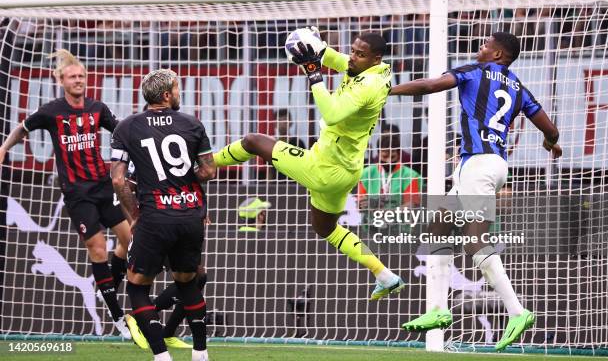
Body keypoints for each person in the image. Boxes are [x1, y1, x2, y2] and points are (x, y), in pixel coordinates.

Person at [390, 32, 562, 351]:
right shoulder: (518, 87)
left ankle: (517, 311)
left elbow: (429, 86)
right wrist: (551, 143)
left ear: (497, 54)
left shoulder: (473, 71)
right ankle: (439, 309)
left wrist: (386, 87)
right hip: (489, 164)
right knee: (438, 229)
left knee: (473, 241)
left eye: (485, 45)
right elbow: (550, 129)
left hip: (479, 165)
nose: (479, 48)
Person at [213, 30, 404, 300]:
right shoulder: (377, 70)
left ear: (376, 58)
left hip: (324, 167)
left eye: (360, 55)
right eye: (353, 50)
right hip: (346, 170)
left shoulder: (369, 85)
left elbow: (332, 113)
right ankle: (384, 275)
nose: (353, 57)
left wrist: (314, 75)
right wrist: (316, 50)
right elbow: (341, 61)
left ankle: (205, 167)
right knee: (326, 228)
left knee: (253, 141)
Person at [0, 49, 132, 338]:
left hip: (102, 186)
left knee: (129, 240)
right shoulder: (51, 111)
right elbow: (22, 129)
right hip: (77, 194)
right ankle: (117, 315)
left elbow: (122, 131)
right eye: (73, 76)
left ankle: (107, 289)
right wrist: (3, 148)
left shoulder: (97, 109)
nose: (78, 80)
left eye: (82, 76)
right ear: (61, 80)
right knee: (97, 250)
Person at [110, 69, 216, 361]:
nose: (179, 93)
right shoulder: (193, 124)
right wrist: (184, 184)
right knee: (188, 282)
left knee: (137, 286)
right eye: (177, 88)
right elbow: (208, 170)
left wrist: (134, 215)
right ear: (167, 95)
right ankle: (201, 354)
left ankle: (161, 356)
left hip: (155, 218)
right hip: (191, 216)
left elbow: (118, 180)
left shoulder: (127, 127)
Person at [358, 132, 421, 229]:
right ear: (378, 154)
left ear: (399, 153)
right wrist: (365, 205)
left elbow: (412, 204)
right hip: (371, 230)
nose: (388, 161)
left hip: (401, 232)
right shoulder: (366, 174)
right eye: (384, 157)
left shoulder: (410, 176)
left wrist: (388, 213)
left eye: (392, 157)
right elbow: (360, 202)